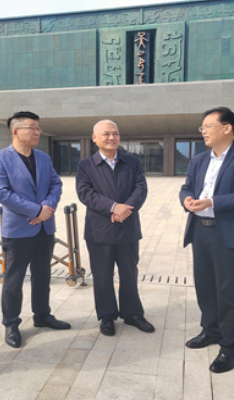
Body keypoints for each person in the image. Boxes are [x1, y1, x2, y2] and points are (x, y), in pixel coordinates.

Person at [179, 107, 234, 373]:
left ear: (227, 128)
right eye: (202, 127)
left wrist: (213, 202)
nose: (203, 131)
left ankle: (230, 348)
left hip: (228, 233)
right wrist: (186, 199)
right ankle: (211, 331)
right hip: (200, 230)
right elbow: (187, 186)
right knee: (205, 287)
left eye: (208, 126)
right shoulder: (199, 159)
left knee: (229, 292)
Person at [0, 111, 69, 349]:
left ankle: (42, 315)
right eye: (32, 128)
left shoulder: (43, 157)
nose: (37, 132)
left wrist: (47, 208)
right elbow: (2, 193)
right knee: (14, 279)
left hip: (45, 227)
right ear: (16, 131)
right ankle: (11, 323)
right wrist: (35, 210)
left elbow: (55, 183)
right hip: (18, 229)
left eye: (38, 128)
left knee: (43, 275)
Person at [76, 119, 154, 336]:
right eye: (106, 134)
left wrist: (125, 209)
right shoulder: (86, 165)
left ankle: (133, 314)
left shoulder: (132, 161)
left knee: (129, 273)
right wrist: (113, 207)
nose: (112, 137)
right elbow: (85, 193)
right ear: (95, 138)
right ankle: (107, 316)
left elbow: (141, 188)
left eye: (115, 133)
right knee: (102, 275)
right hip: (100, 230)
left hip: (128, 227)